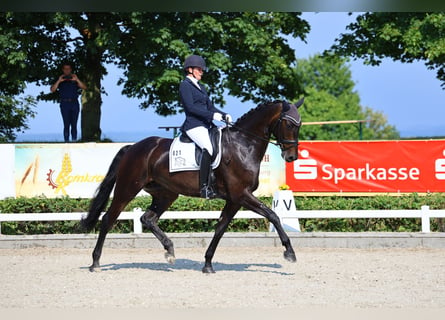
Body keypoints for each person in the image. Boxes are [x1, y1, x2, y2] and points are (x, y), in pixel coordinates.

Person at [179, 55, 232, 199]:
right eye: (199, 69)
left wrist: (223, 114)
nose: (202, 71)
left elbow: (210, 107)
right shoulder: (185, 85)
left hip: (206, 125)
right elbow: (190, 108)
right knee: (208, 148)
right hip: (193, 125)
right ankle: (204, 187)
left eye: (202, 69)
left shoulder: (201, 87)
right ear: (190, 70)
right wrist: (212, 116)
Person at [50, 62, 86, 142]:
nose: (67, 70)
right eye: (65, 69)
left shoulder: (74, 78)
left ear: (71, 70)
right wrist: (59, 80)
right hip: (64, 103)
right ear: (63, 70)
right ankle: (66, 142)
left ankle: (74, 141)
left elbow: (84, 87)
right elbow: (52, 90)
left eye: (68, 69)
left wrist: (77, 79)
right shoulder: (60, 79)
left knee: (74, 124)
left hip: (74, 103)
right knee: (66, 124)